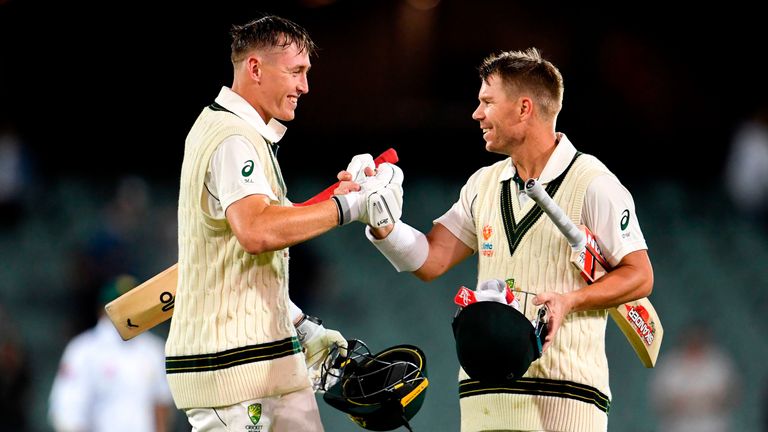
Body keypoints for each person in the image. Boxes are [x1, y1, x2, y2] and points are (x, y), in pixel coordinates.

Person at [362, 48, 654, 431]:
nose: (476, 113)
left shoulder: (593, 183)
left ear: (523, 108)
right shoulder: (483, 184)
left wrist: (570, 300)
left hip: (566, 401)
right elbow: (431, 259)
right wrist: (382, 223)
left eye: (487, 102)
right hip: (483, 402)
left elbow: (639, 276)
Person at [165, 15, 401, 432]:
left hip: (268, 357)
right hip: (231, 368)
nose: (304, 86)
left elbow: (254, 251)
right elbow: (257, 231)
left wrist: (296, 323)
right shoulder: (232, 138)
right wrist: (350, 207)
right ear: (255, 68)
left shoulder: (239, 133)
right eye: (296, 71)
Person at [48, 275, 174, 432]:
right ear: (103, 309)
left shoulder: (152, 349)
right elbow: (69, 411)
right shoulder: (83, 350)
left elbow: (161, 403)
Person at [649, 321, 740, 432]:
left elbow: (733, 395)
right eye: (691, 339)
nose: (694, 343)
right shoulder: (669, 366)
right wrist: (676, 404)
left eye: (698, 339)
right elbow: (658, 400)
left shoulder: (720, 363)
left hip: (713, 427)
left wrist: (711, 401)